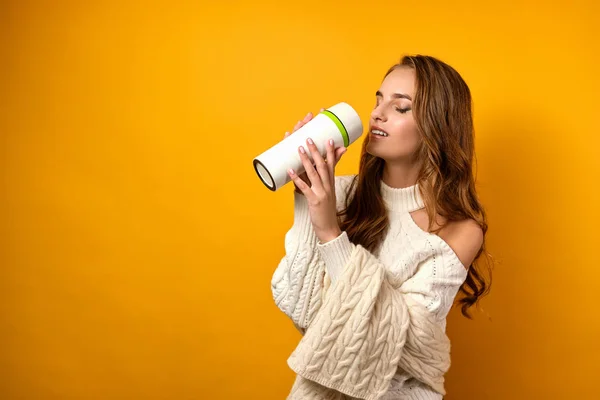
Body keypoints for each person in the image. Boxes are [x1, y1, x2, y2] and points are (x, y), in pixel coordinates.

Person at [271, 54, 492, 400]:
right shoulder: (338, 196)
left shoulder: (460, 230)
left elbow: (402, 344)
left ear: (438, 126)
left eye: (400, 107)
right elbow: (301, 311)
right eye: (378, 99)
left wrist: (331, 235)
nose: (377, 113)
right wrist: (305, 199)